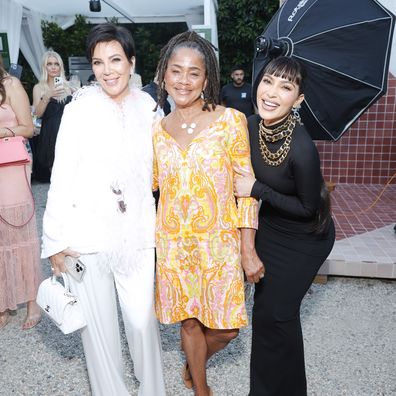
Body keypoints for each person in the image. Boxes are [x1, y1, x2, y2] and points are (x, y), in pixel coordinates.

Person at [41, 24, 166, 396]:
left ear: (131, 62)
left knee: (142, 321)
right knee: (98, 334)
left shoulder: (151, 108)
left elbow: (165, 172)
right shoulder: (77, 111)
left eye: (115, 60)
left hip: (140, 233)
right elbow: (60, 177)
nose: (108, 70)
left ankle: (152, 390)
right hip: (86, 235)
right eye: (98, 62)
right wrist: (56, 242)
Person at [153, 31, 259, 396]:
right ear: (164, 75)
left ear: (207, 78)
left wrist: (248, 248)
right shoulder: (156, 132)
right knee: (189, 323)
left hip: (219, 243)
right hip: (174, 244)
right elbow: (149, 187)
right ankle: (201, 388)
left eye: (193, 73)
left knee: (227, 328)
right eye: (176, 71)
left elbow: (246, 191)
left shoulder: (231, 121)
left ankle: (193, 363)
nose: (183, 81)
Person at [234, 56, 336, 396]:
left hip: (308, 237)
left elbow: (308, 209)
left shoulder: (302, 147)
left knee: (280, 315)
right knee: (264, 315)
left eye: (286, 86)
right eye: (268, 81)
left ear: (299, 99)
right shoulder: (249, 126)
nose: (273, 92)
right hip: (272, 228)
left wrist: (256, 189)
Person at [0, 59, 42, 330]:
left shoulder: (10, 84)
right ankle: (4, 301)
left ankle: (32, 301)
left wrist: (3, 131)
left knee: (18, 231)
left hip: (11, 166)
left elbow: (29, 127)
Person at [32, 50, 72, 182]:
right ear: (44, 67)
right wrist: (48, 95)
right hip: (50, 135)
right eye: (49, 64)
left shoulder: (69, 86)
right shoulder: (38, 88)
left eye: (56, 64)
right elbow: (37, 114)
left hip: (68, 134)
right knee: (54, 178)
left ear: (61, 66)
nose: (54, 67)